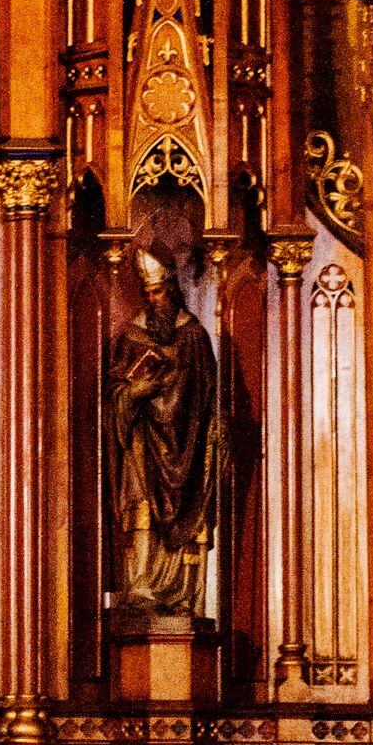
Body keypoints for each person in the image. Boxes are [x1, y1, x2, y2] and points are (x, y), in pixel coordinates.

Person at [107, 243, 218, 617]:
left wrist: (211, 427)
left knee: (188, 507)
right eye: (147, 293)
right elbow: (114, 395)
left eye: (158, 291)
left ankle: (182, 595)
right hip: (142, 445)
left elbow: (209, 400)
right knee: (140, 508)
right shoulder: (130, 336)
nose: (153, 300)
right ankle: (141, 587)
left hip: (186, 447)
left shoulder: (195, 337)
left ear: (172, 288)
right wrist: (135, 392)